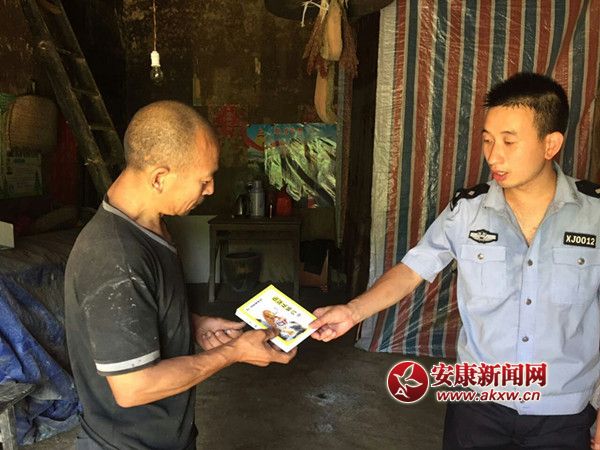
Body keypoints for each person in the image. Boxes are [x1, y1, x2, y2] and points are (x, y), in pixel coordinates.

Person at [310, 72, 600, 449]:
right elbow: (412, 269)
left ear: (551, 144)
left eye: (509, 141)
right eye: (487, 140)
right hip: (477, 407)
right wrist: (352, 312)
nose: (493, 155)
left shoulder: (594, 214)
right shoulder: (467, 211)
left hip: (563, 413)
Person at [64, 101, 296, 450]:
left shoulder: (150, 227)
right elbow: (134, 387)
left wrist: (189, 324)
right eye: (204, 179)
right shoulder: (116, 257)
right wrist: (233, 352)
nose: (211, 189)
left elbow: (142, 307)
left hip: (168, 436)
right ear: (160, 177)